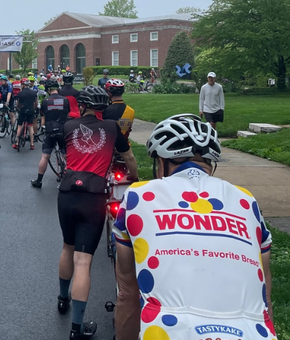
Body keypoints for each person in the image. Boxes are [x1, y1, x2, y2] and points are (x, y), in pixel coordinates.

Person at [113, 114, 274, 340]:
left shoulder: (137, 197)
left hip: (168, 331)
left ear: (161, 162)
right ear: (210, 163)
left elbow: (128, 295)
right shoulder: (247, 201)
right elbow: (264, 297)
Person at [56, 85, 138, 339]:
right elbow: (130, 157)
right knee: (84, 260)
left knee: (67, 247)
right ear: (104, 108)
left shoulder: (69, 127)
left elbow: (62, 151)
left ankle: (62, 299)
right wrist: (134, 178)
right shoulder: (113, 129)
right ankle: (77, 328)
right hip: (93, 196)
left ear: (82, 106)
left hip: (67, 193)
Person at [31, 78, 69, 188]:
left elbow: (43, 118)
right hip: (63, 130)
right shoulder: (65, 100)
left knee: (45, 156)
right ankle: (69, 178)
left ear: (48, 90)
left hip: (50, 130)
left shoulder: (45, 102)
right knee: (65, 155)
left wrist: (43, 127)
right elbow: (67, 115)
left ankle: (39, 181)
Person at [12, 78, 38, 150]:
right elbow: (36, 103)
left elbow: (17, 103)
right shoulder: (33, 93)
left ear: (23, 85)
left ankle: (17, 143)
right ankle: (32, 144)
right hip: (30, 110)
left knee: (20, 126)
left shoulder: (20, 93)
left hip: (23, 110)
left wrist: (18, 107)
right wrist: (34, 108)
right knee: (30, 127)